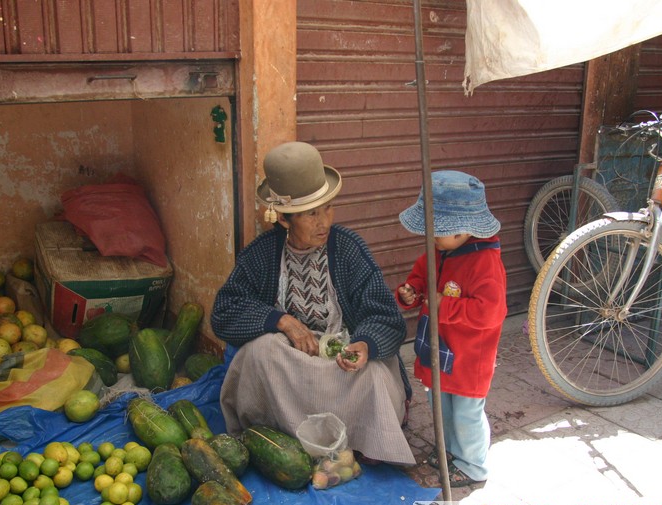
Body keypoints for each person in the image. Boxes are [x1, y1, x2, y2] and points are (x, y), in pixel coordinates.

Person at [211, 141, 415, 465]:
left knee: (375, 375)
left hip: (342, 364)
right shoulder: (263, 253)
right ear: (284, 220)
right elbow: (223, 313)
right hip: (293, 365)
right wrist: (281, 321)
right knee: (258, 355)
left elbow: (387, 317)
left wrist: (365, 345)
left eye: (328, 208)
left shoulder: (348, 248)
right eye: (311, 214)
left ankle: (346, 435)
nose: (324, 222)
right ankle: (295, 437)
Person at [396, 170, 507, 487]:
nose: (431, 239)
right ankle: (449, 453)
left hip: (469, 359)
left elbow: (490, 312)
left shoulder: (485, 263)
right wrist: (410, 293)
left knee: (465, 414)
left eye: (438, 232)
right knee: (440, 406)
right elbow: (420, 281)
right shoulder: (438, 252)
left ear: (463, 231)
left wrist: (443, 303)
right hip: (439, 348)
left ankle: (473, 465)